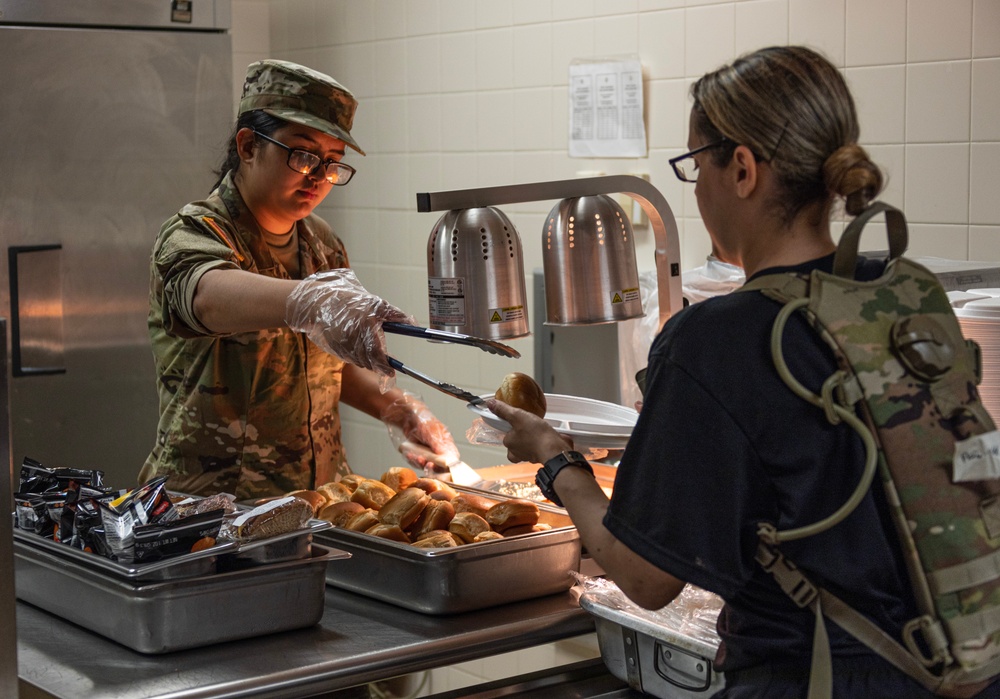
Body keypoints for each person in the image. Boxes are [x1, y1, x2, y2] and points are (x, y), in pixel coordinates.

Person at [488, 45, 1000, 698]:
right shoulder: (903, 293)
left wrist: (557, 461)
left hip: (818, 678)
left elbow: (644, 580)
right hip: (959, 662)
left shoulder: (716, 338)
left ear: (742, 169)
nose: (694, 187)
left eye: (693, 164)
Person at [139, 59, 459, 500]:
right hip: (217, 511)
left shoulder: (321, 243)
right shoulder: (196, 232)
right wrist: (313, 301)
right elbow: (207, 297)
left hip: (317, 502)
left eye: (332, 163)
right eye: (304, 155)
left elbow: (321, 367)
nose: (318, 177)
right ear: (249, 146)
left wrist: (398, 408)